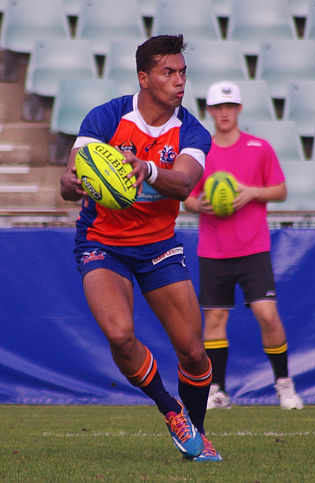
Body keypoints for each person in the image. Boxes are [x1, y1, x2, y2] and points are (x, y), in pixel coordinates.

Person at [60, 34, 222, 462]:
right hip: (102, 241)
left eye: (183, 72)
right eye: (169, 72)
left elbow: (185, 183)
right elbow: (67, 180)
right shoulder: (108, 116)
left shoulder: (191, 130)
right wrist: (70, 182)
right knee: (119, 333)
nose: (179, 81)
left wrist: (146, 168)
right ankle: (170, 408)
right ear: (144, 78)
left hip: (158, 246)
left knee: (193, 350)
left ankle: (196, 431)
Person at [184, 81, 303, 411]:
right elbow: (186, 199)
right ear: (210, 111)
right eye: (218, 107)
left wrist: (251, 192)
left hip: (253, 248)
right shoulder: (200, 151)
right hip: (214, 250)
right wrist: (200, 205)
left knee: (267, 315)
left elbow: (280, 190)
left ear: (238, 109)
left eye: (230, 106)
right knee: (215, 319)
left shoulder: (259, 147)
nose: (224, 112)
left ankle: (284, 384)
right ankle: (217, 390)